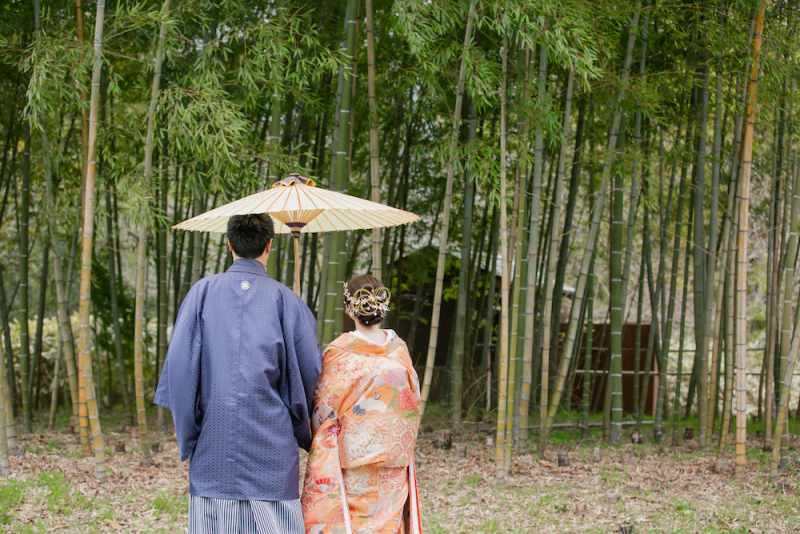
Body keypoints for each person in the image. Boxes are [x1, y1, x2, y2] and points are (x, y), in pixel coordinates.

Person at [154, 213, 321, 534]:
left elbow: (180, 371)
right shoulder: (286, 299)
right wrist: (302, 431)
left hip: (214, 445)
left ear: (229, 244)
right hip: (272, 449)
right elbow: (311, 370)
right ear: (270, 245)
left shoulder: (201, 293)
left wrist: (190, 435)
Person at [302, 275, 422, 534]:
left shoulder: (338, 355)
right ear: (383, 308)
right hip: (393, 464)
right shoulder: (400, 352)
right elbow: (414, 403)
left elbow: (321, 412)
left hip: (353, 467)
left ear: (349, 309)